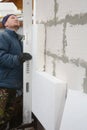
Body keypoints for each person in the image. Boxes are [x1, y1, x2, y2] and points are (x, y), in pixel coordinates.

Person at [0, 14, 32, 129]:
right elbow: (1, 57)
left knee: (6, 118)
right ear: (5, 24)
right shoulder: (3, 36)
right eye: (12, 18)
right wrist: (18, 58)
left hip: (15, 86)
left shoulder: (19, 40)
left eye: (17, 18)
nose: (16, 19)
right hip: (3, 85)